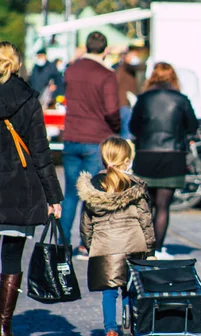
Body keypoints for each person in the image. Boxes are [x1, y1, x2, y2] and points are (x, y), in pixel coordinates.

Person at [0, 41, 63, 336]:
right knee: (12, 256)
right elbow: (40, 151)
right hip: (18, 187)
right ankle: (3, 327)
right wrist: (54, 196)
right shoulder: (27, 99)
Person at [77, 137, 155, 336]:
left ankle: (111, 335)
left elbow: (86, 223)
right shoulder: (136, 185)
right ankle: (131, 331)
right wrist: (150, 249)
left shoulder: (92, 186)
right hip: (134, 244)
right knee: (131, 291)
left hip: (105, 247)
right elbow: (145, 219)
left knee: (109, 293)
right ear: (127, 160)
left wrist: (91, 245)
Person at [129, 62, 198, 260]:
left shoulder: (143, 99)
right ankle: (158, 248)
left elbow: (133, 127)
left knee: (146, 206)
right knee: (163, 206)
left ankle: (145, 247)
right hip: (172, 156)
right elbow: (192, 126)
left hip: (146, 156)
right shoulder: (181, 99)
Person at [62, 31, 121, 260]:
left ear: (86, 46)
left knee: (70, 194)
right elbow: (111, 110)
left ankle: (63, 242)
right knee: (94, 194)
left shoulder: (71, 70)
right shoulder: (106, 75)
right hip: (96, 139)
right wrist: (115, 129)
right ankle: (87, 244)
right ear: (105, 50)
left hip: (71, 137)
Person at [115, 47, 141, 140]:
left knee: (125, 129)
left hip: (124, 102)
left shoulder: (119, 68)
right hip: (126, 102)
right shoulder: (125, 67)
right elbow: (140, 67)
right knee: (127, 131)